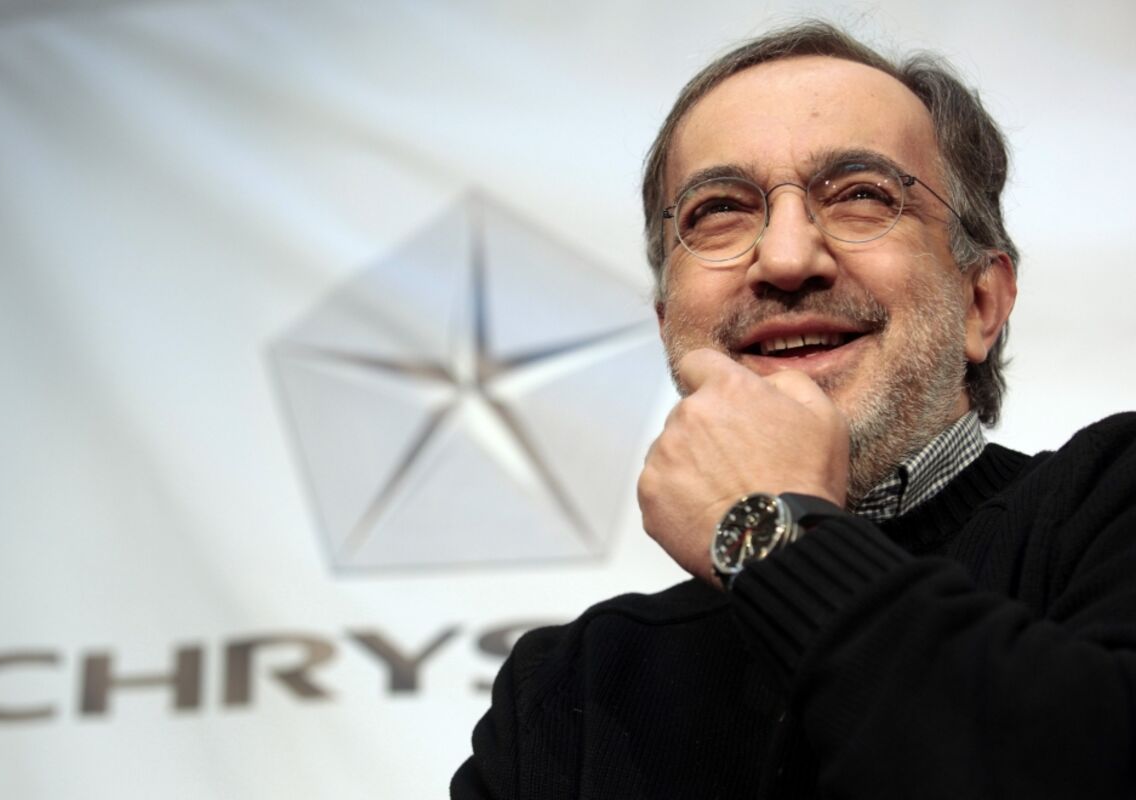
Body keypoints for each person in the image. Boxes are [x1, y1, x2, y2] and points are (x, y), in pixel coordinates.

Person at [452, 20, 1136, 799]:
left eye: (861, 197)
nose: (784, 259)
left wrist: (771, 537)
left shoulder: (1108, 510)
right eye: (719, 210)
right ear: (668, 322)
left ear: (981, 303)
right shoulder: (569, 687)